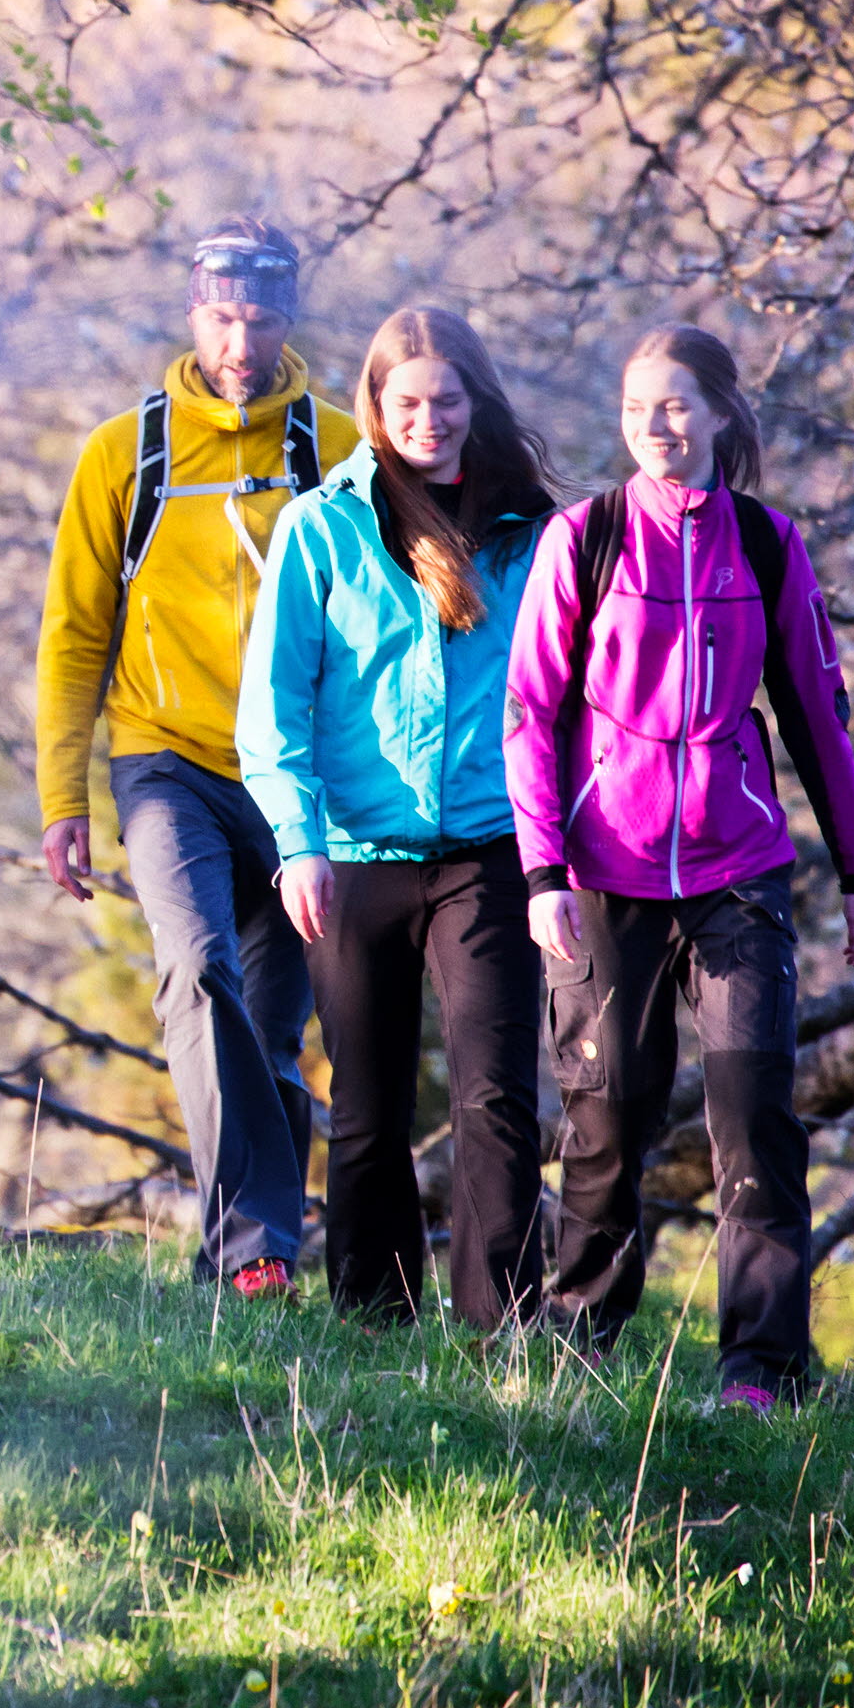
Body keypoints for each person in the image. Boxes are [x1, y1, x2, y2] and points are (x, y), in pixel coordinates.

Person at [503, 324, 854, 1411]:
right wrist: (542, 873)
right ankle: (579, 1339)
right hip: (602, 870)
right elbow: (529, 713)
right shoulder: (583, 536)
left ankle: (760, 1370)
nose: (653, 426)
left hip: (738, 867)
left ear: (719, 411)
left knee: (753, 1115)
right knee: (606, 1113)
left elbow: (815, 715)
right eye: (635, 408)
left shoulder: (765, 544)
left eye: (673, 405)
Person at [37, 217, 358, 1297]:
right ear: (191, 311)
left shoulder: (339, 450)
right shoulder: (123, 453)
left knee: (270, 1028)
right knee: (196, 968)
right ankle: (255, 1248)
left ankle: (246, 1259)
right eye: (220, 317)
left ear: (288, 317)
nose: (239, 342)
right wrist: (61, 798)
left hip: (298, 776)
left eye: (260, 319)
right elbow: (73, 635)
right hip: (164, 763)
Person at [237, 309, 560, 1326]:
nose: (427, 418)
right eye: (405, 400)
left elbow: (563, 693)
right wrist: (297, 844)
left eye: (446, 399)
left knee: (494, 1096)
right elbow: (273, 708)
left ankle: (498, 1325)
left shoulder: (531, 531)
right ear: (374, 405)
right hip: (351, 853)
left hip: (489, 850)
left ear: (476, 401)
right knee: (366, 1104)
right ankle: (372, 1320)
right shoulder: (319, 527)